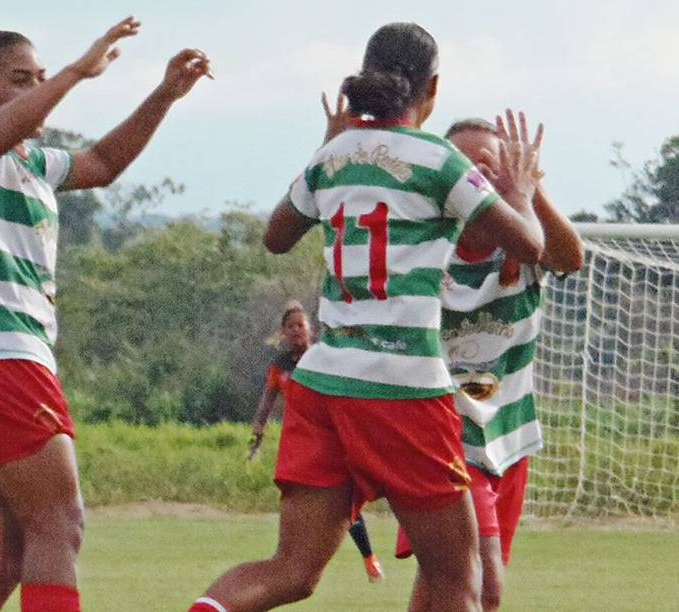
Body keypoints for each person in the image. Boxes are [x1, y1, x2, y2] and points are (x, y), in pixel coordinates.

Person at [187, 22, 546, 612]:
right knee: (460, 582)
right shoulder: (440, 160)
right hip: (403, 388)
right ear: (432, 87)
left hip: (325, 383)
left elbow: (276, 237)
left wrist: (327, 151)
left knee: (292, 571)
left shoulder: (333, 157)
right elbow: (529, 246)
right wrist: (524, 193)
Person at [0, 14, 211, 612]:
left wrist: (162, 96)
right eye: (18, 79)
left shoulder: (34, 163)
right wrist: (79, 72)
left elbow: (103, 164)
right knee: (60, 527)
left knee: (0, 556)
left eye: (41, 76)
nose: (35, 88)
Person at [394, 117, 583, 611]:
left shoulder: (525, 243)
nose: (479, 172)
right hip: (448, 441)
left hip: (509, 437)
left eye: (492, 163)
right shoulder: (427, 244)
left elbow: (572, 257)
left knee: (445, 584)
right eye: (467, 163)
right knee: (484, 588)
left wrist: (530, 193)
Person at [248, 301, 384, 583]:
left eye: (301, 325)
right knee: (297, 500)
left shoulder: (323, 357)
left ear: (311, 329)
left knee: (345, 498)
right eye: (290, 326)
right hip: (299, 444)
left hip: (331, 439)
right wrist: (257, 433)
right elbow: (267, 399)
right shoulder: (280, 366)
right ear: (284, 332)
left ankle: (368, 556)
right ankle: (290, 559)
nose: (296, 330)